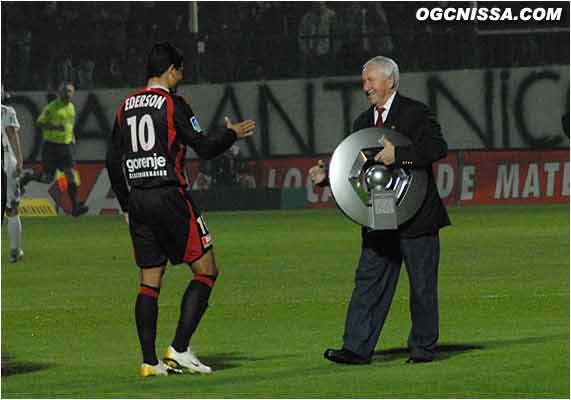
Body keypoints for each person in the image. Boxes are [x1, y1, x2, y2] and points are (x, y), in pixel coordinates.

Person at [106, 42, 255, 377]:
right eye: (180, 71)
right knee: (206, 269)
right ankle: (180, 349)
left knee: (149, 281)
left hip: (139, 199)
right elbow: (203, 148)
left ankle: (149, 362)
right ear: (170, 70)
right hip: (170, 196)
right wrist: (230, 134)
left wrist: (126, 202)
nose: (181, 77)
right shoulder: (173, 104)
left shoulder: (125, 107)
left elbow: (112, 160)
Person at [309, 56, 451, 365]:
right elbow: (355, 171)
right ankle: (356, 348)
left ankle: (422, 349)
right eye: (364, 82)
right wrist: (326, 179)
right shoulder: (362, 123)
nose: (366, 87)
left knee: (422, 286)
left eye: (371, 81)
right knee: (368, 281)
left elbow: (437, 148)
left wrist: (398, 154)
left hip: (417, 215)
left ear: (391, 81)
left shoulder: (415, 113)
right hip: (379, 215)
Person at [20, 82, 88, 217]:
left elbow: (70, 126)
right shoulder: (52, 107)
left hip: (66, 147)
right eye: (65, 91)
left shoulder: (71, 108)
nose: (67, 94)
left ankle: (74, 208)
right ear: (60, 92)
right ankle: (28, 178)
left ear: (73, 93)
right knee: (47, 178)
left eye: (70, 91)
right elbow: (40, 123)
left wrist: (72, 140)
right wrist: (55, 127)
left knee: (71, 175)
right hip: (51, 147)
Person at [1, 85, 25, 262]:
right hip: (6, 163)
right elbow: (11, 134)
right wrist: (20, 160)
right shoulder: (7, 111)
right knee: (12, 208)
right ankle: (15, 250)